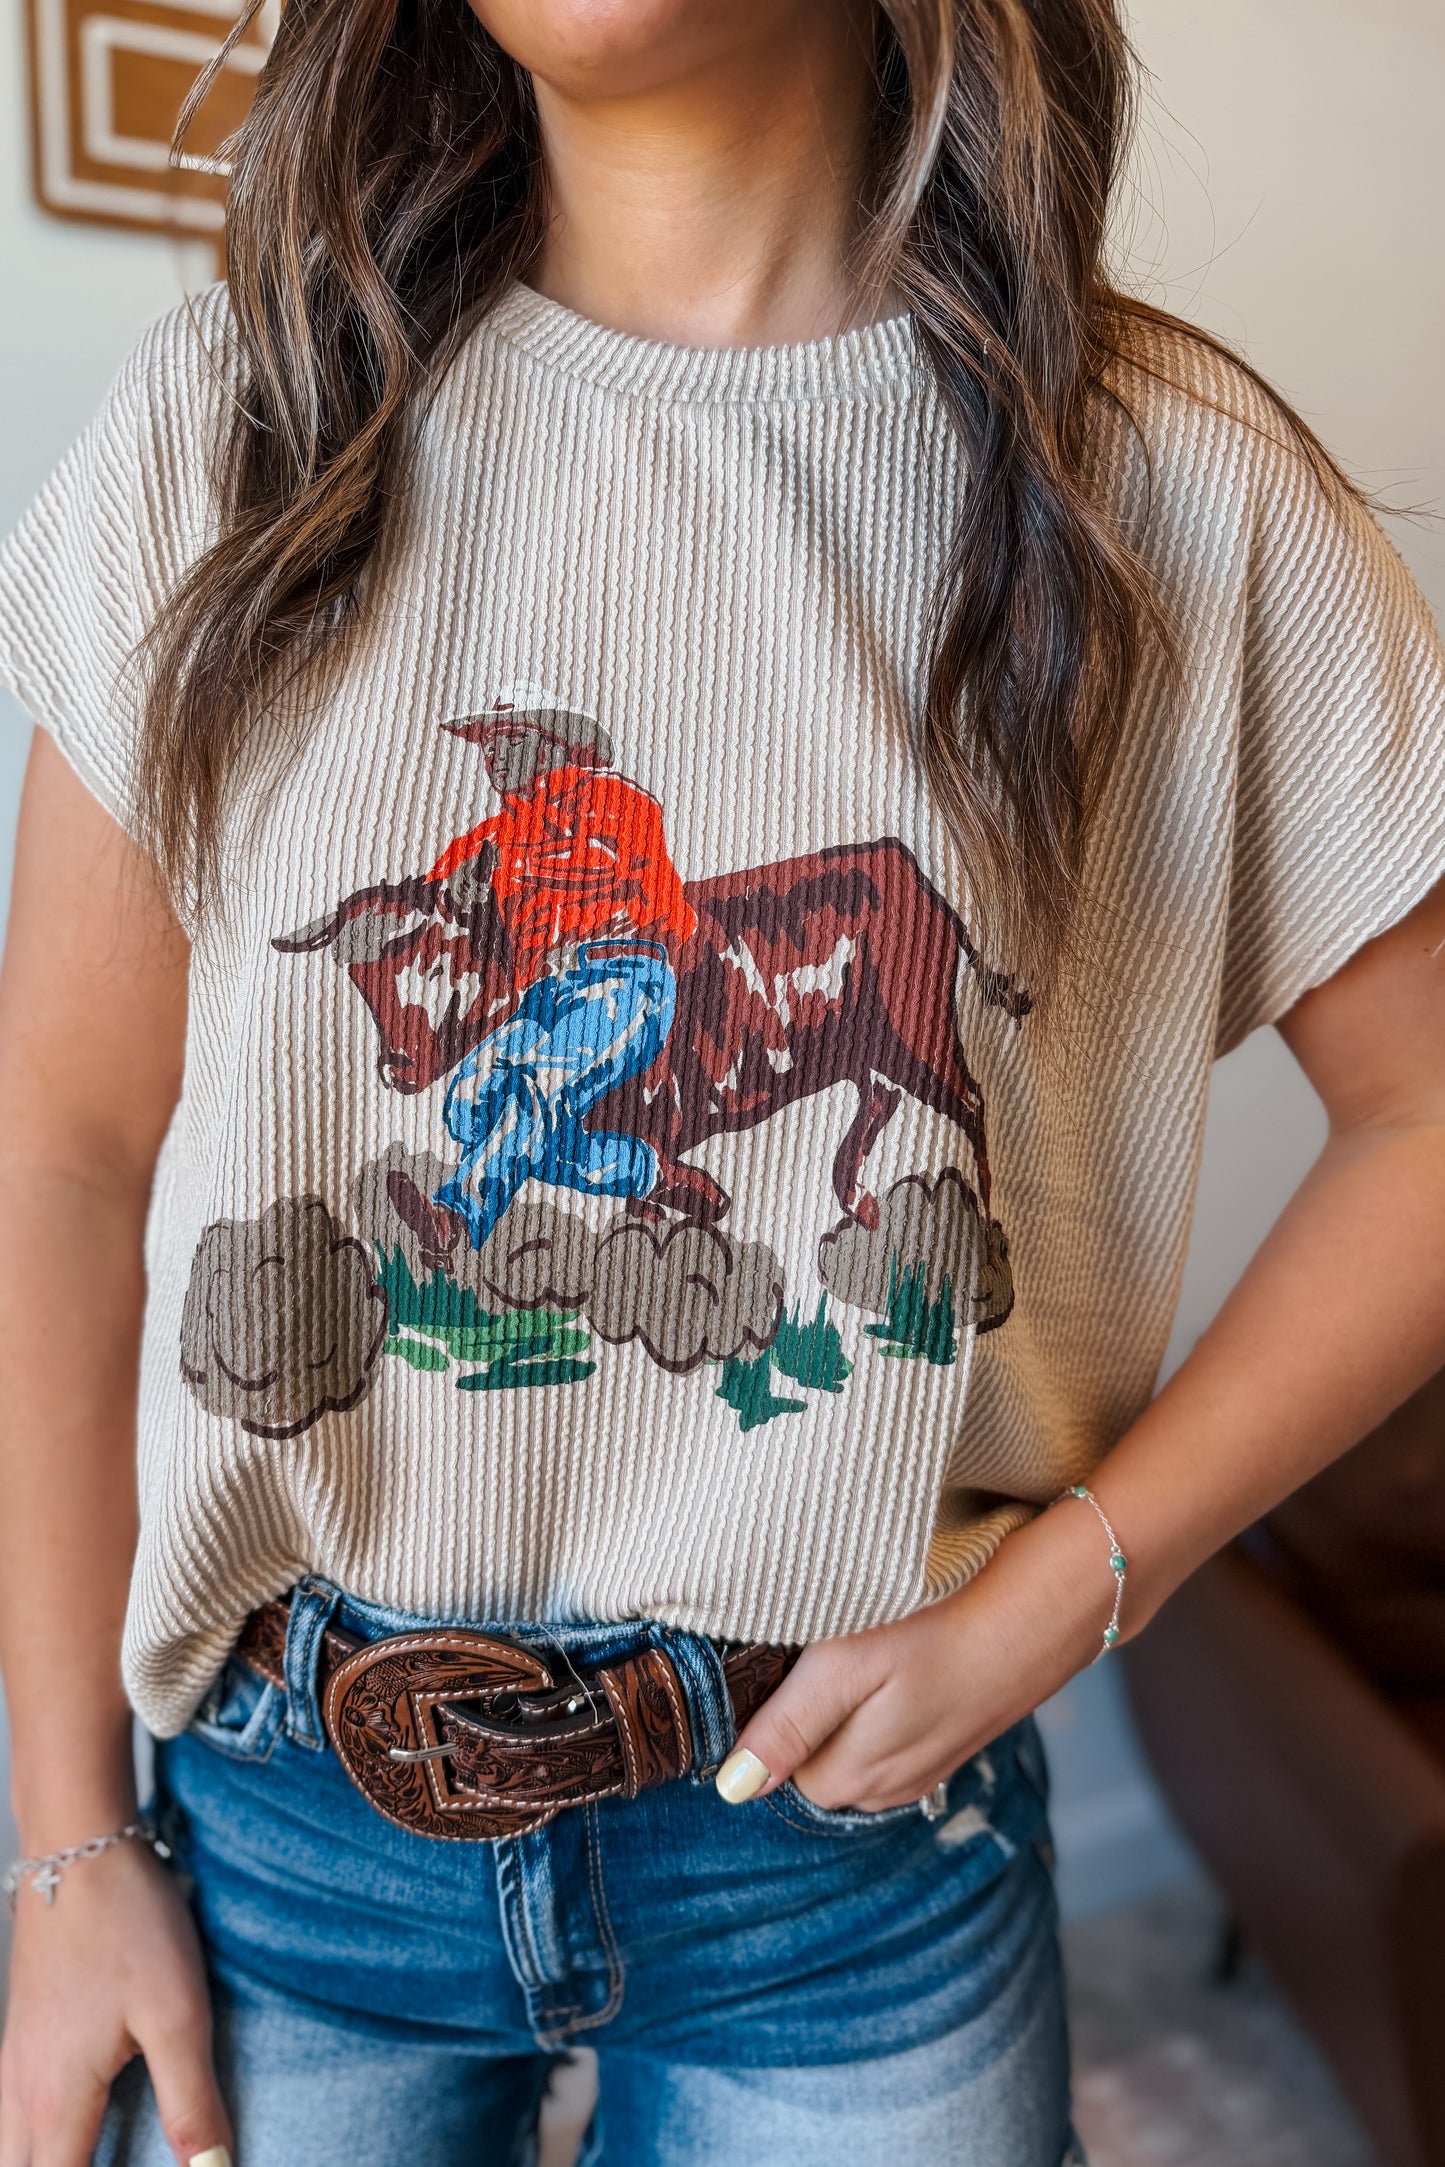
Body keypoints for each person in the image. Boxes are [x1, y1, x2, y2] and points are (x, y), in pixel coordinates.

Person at [0, 2, 1441, 2164]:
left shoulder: (1164, 487)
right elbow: (65, 1148)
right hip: (278, 1847)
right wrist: (59, 1846)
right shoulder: (239, 429)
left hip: (847, 1847)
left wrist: (1073, 1584)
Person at [423, 684, 697, 1250]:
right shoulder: (495, 835)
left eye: (508, 739)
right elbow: (424, 891)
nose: (491, 755)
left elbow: (675, 915)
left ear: (555, 742)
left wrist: (594, 936)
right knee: (465, 1106)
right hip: (542, 1001)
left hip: (623, 981)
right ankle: (645, 1171)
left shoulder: (622, 804)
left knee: (532, 1089)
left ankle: (456, 1219)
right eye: (485, 743)